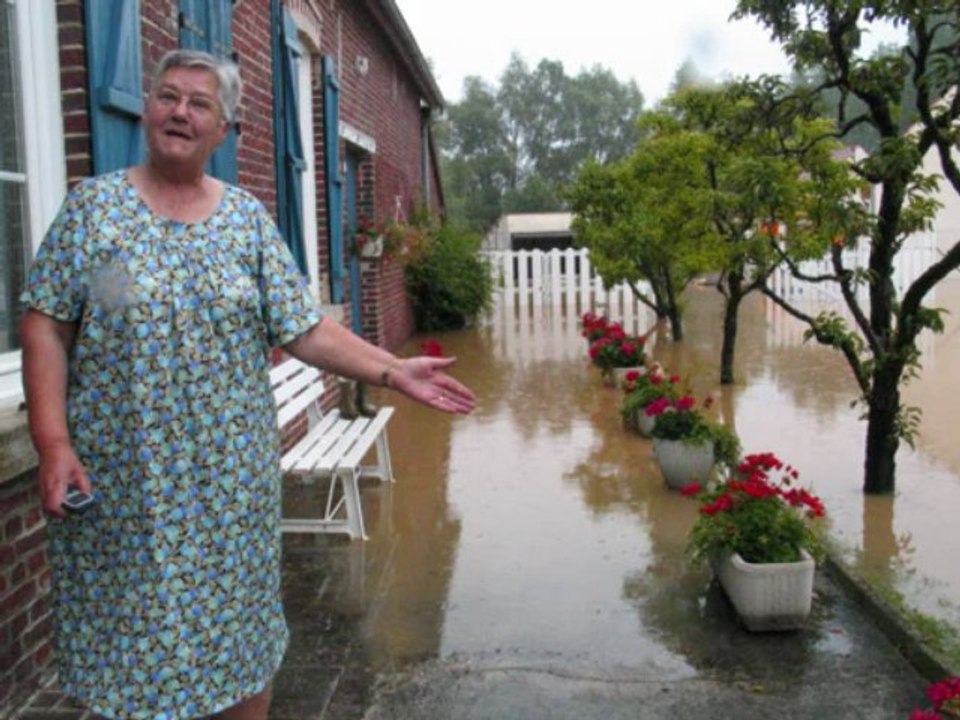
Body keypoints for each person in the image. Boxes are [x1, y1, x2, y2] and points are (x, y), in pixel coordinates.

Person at [19, 48, 475, 720]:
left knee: (237, 649)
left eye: (199, 103)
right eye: (168, 95)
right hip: (124, 488)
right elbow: (47, 326)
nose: (180, 111)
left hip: (228, 494)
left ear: (224, 131)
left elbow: (305, 330)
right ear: (148, 110)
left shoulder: (246, 222)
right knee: (132, 654)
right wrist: (53, 442)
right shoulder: (93, 213)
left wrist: (391, 368)